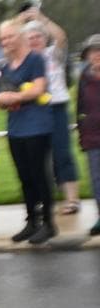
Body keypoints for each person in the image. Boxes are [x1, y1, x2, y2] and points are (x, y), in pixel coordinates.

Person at [0, 19, 56, 244]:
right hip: (16, 128)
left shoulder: (35, 59)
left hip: (37, 126)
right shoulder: (5, 67)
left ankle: (49, 223)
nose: (6, 42)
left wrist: (14, 97)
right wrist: (1, 100)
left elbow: (40, 88)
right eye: (2, 39)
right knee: (24, 177)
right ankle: (32, 221)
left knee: (40, 175)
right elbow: (3, 94)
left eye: (9, 36)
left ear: (20, 36)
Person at [23, 12, 80, 215]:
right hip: (34, 110)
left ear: (44, 38)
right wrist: (21, 20)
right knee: (37, 158)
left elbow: (62, 37)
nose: (34, 40)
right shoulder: (26, 61)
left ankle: (72, 199)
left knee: (62, 154)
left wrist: (41, 18)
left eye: (38, 36)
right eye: (29, 38)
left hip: (56, 107)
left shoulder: (53, 54)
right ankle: (43, 199)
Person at [78, 34, 100, 236]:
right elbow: (80, 107)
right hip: (92, 137)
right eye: (93, 52)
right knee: (97, 180)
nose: (96, 55)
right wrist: (81, 134)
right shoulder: (84, 77)